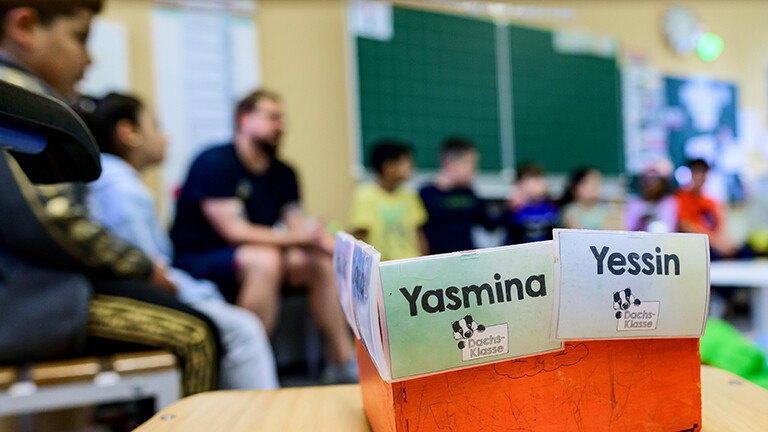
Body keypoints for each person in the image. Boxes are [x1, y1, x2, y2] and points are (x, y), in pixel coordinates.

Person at [0, 2, 220, 396]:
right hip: (22, 298)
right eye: (80, 37)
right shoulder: (13, 98)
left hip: (38, 285)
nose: (89, 58)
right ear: (24, 26)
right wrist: (141, 267)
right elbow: (54, 218)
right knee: (196, 335)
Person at [81, 93, 279, 389]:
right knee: (243, 329)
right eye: (156, 126)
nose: (166, 137)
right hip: (139, 297)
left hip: (148, 286)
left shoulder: (110, 180)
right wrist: (199, 292)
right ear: (128, 133)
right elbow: (151, 271)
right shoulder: (123, 192)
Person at [171, 90, 355, 383]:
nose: (281, 125)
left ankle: (342, 361)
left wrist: (324, 242)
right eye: (272, 117)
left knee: (316, 261)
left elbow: (295, 227)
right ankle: (243, 370)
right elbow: (234, 232)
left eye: (282, 118)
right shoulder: (213, 162)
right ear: (244, 118)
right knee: (266, 259)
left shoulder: (284, 172)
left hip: (258, 255)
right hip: (202, 258)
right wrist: (302, 237)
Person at [348, 139, 429, 260]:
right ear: (389, 167)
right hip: (381, 267)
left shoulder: (410, 195)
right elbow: (358, 234)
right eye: (406, 163)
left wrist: (425, 261)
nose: (412, 167)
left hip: (410, 263)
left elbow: (419, 233)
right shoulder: (366, 194)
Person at [419, 137, 495, 254]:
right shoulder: (426, 195)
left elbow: (490, 224)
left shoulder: (469, 193)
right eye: (471, 163)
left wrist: (512, 207)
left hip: (466, 262)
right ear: (451, 164)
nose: (475, 170)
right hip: (435, 263)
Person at [675, 158, 737, 258]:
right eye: (696, 172)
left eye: (703, 172)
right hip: (695, 246)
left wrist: (724, 242)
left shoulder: (712, 201)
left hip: (714, 245)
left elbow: (721, 227)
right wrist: (714, 242)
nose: (700, 176)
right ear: (691, 174)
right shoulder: (681, 197)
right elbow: (685, 226)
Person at [503, 163, 559, 244]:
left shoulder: (552, 208)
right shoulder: (513, 211)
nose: (536, 185)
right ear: (519, 184)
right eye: (529, 180)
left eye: (538, 179)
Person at [624, 158, 679, 233]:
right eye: (647, 180)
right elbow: (628, 230)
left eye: (655, 181)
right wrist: (641, 220)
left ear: (664, 184)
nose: (650, 186)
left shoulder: (670, 202)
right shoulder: (634, 203)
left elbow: (670, 229)